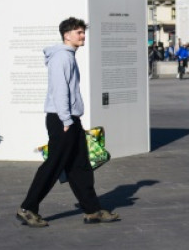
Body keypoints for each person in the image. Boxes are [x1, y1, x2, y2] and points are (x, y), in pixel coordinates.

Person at [17, 17, 119, 227]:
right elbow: (60, 89)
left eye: (83, 32)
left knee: (80, 165)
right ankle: (28, 208)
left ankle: (92, 210)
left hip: (69, 118)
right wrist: (65, 118)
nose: (82, 36)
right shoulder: (62, 58)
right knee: (54, 164)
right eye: (78, 32)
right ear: (67, 35)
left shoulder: (67, 56)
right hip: (62, 119)